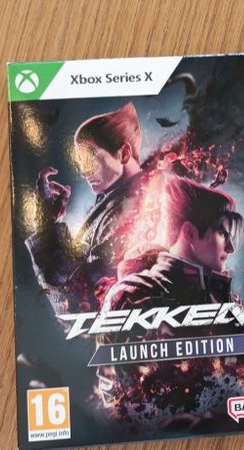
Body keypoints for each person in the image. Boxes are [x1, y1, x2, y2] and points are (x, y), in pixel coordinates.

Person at [97, 177, 244, 414]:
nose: (230, 248)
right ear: (190, 232)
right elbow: (118, 408)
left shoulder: (230, 306)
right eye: (222, 233)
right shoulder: (133, 297)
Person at [26, 102, 152, 315]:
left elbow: (78, 299)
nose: (84, 171)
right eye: (80, 162)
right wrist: (50, 223)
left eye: (90, 158)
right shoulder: (116, 198)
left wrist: (46, 224)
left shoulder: (135, 207)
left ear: (123, 153)